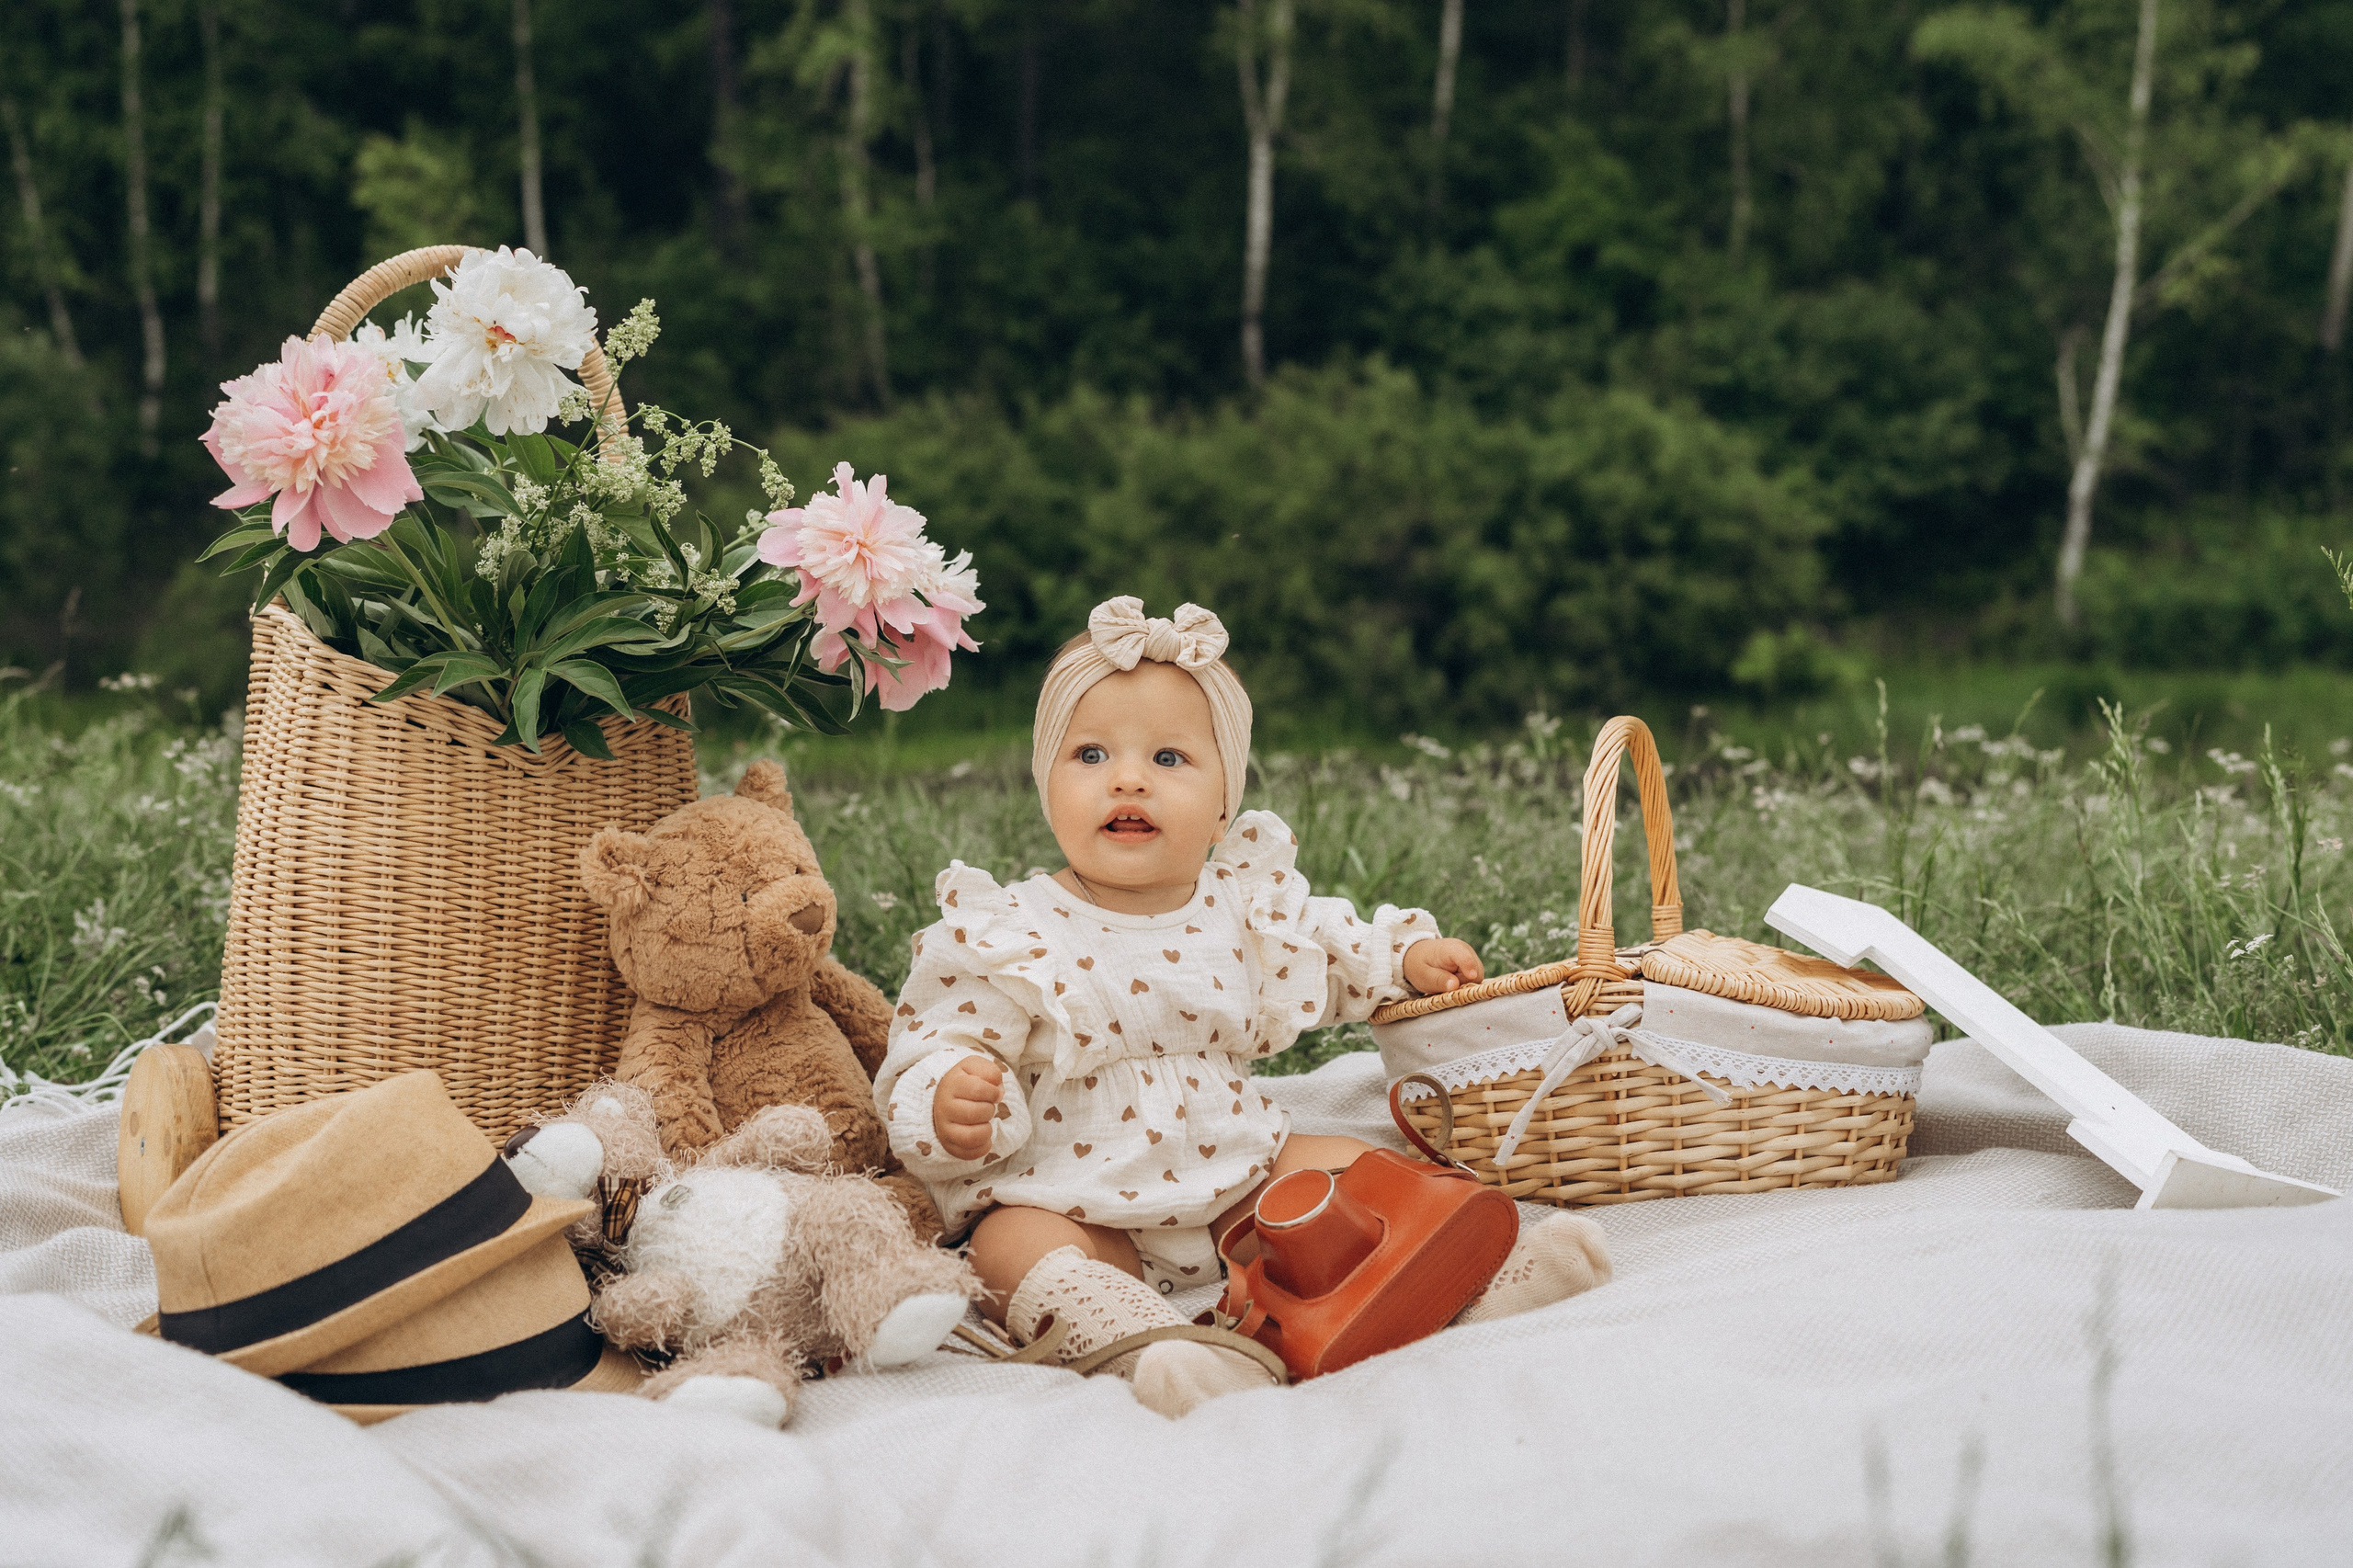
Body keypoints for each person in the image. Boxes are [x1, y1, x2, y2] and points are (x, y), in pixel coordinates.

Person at [872, 597, 1609, 1415]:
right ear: (1046, 785)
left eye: (1169, 757)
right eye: (1090, 754)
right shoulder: (1009, 928)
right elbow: (940, 1036)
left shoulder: (1241, 905)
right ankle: (1159, 1349)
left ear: (1225, 804)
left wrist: (1402, 958)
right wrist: (949, 1097)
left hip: (1240, 1173)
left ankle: (1476, 1283)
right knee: (1010, 1246)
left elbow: (1328, 952)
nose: (1128, 777)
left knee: (1360, 1173)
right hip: (1075, 1190)